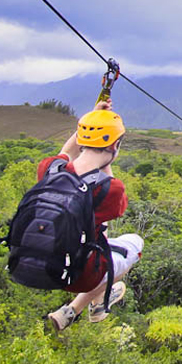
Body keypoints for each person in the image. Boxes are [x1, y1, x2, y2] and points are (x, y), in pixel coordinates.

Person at [44, 100, 144, 331]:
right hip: (79, 275)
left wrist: (93, 119)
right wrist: (107, 159)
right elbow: (112, 194)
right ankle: (77, 308)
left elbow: (66, 153)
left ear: (81, 139)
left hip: (41, 263)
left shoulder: (50, 169)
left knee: (101, 230)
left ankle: (93, 302)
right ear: (115, 145)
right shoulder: (111, 190)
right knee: (135, 244)